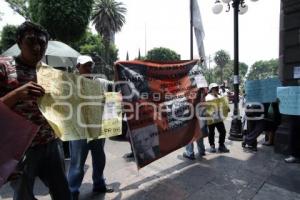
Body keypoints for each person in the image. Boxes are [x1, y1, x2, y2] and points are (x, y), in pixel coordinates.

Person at [0, 21, 71, 200]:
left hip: (51, 143)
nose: (38, 47)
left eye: (42, 43)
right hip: (21, 149)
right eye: (31, 41)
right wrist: (16, 95)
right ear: (19, 42)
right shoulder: (4, 67)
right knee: (24, 196)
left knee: (63, 193)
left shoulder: (49, 72)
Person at [67, 55, 113, 200]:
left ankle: (99, 184)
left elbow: (115, 88)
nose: (89, 68)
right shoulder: (70, 83)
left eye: (90, 65)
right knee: (77, 163)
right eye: (85, 65)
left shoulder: (101, 82)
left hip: (97, 129)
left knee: (99, 159)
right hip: (79, 131)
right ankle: (72, 191)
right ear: (77, 67)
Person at [205, 83, 230, 153]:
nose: (216, 89)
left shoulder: (219, 96)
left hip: (219, 118)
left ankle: (221, 145)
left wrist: (227, 108)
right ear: (211, 89)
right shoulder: (207, 97)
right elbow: (206, 107)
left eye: (217, 88)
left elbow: (224, 105)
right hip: (211, 118)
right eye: (214, 88)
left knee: (223, 131)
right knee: (211, 132)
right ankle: (212, 146)